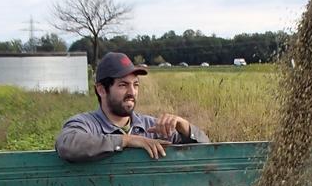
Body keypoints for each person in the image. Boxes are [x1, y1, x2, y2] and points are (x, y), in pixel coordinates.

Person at [55, 52, 210, 162]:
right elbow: (67, 144)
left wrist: (185, 127)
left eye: (135, 85)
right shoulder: (87, 124)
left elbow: (210, 152)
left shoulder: (153, 128)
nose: (132, 92)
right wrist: (127, 141)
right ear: (101, 90)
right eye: (123, 85)